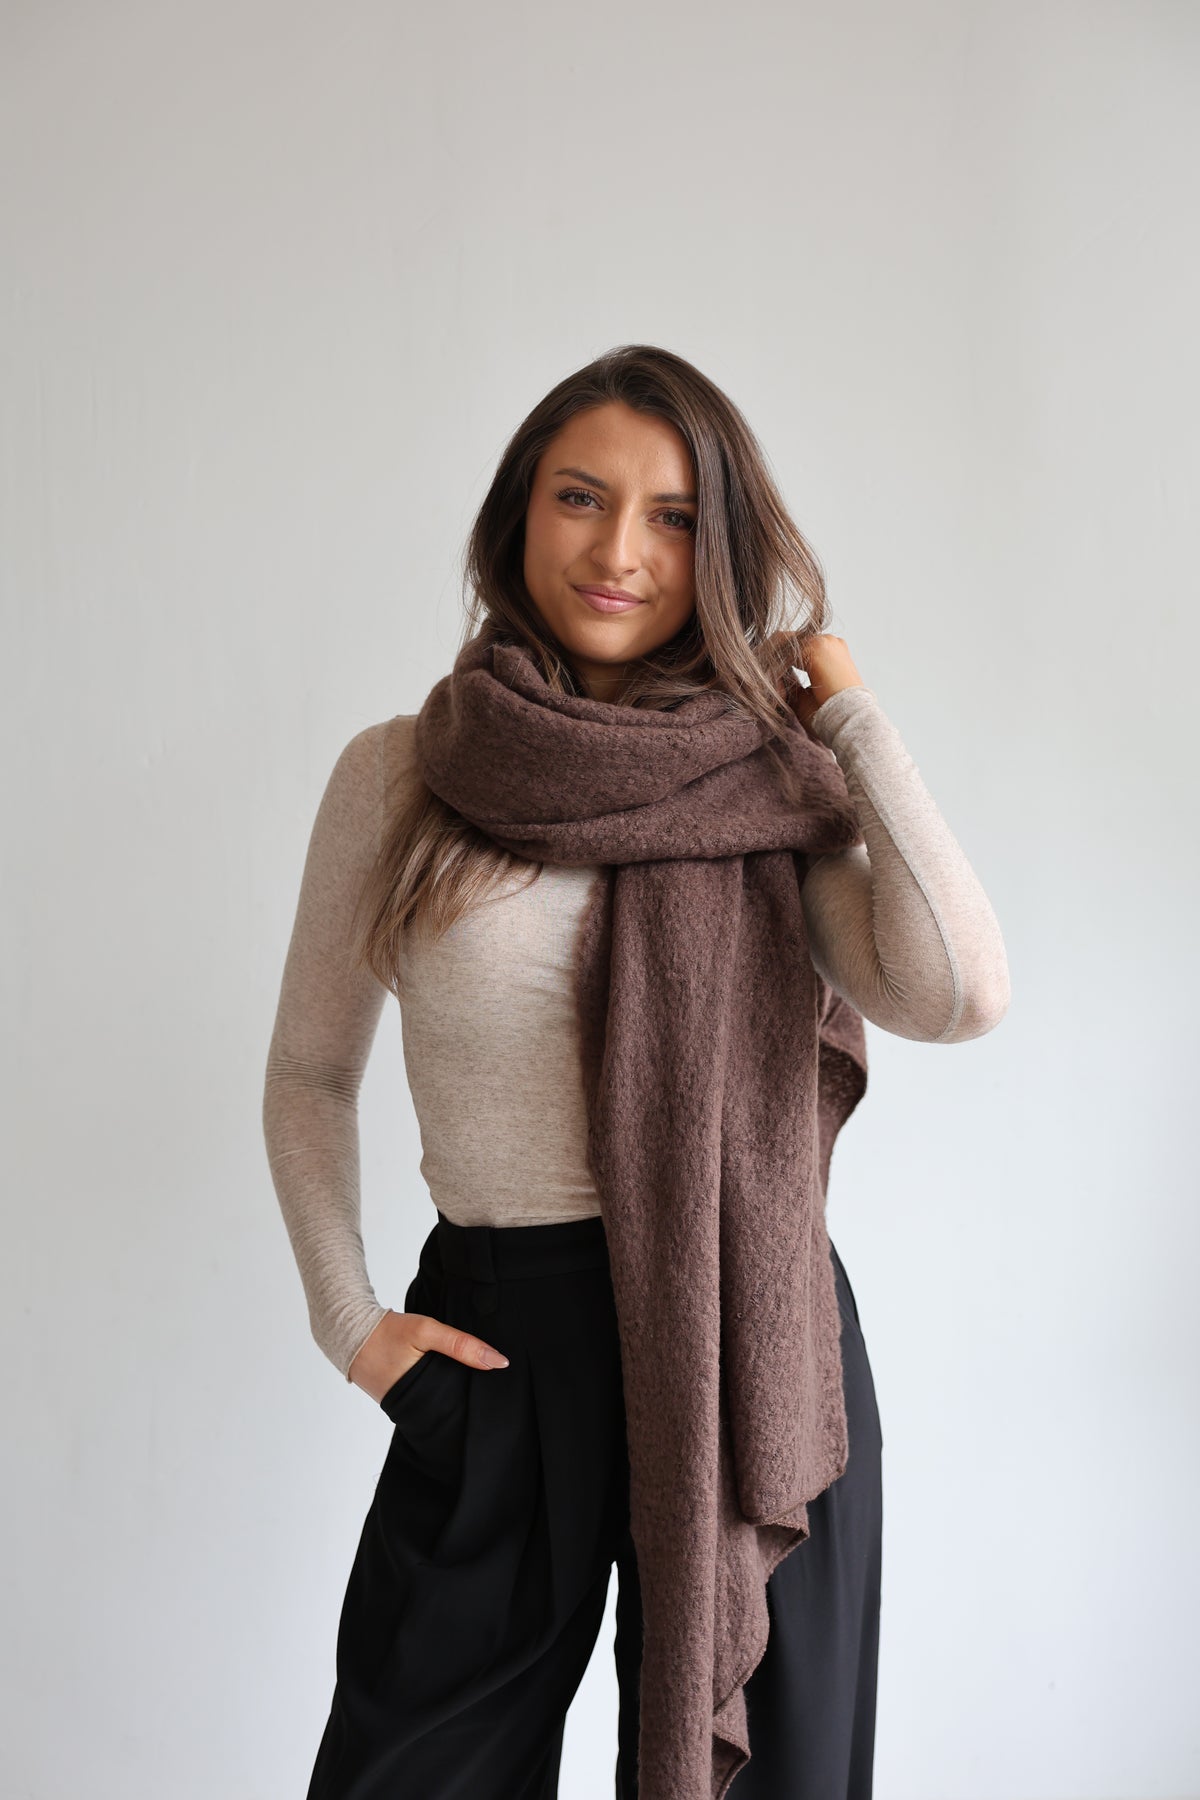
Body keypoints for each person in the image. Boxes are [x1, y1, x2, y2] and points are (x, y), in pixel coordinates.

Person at [262, 343, 1010, 1800]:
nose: (618, 552)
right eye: (580, 498)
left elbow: (960, 993)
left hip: (751, 1335)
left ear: (720, 547)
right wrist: (351, 1324)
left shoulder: (770, 786)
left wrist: (851, 720)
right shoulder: (400, 774)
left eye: (672, 517)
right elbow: (310, 1072)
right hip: (501, 1347)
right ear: (516, 515)